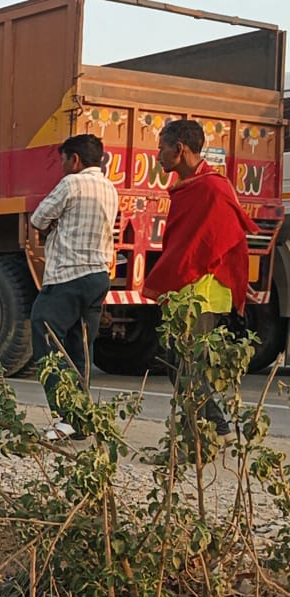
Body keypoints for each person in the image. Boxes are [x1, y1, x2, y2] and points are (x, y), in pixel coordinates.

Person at [143, 118, 257, 441]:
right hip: (183, 290)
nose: (158, 155)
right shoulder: (192, 186)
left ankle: (212, 429)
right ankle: (200, 432)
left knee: (186, 362)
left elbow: (229, 242)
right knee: (175, 359)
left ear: (179, 150)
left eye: (161, 148)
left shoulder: (213, 187)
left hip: (202, 292)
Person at [27, 134, 118, 441]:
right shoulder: (110, 188)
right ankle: (80, 419)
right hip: (97, 277)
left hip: (67, 276)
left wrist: (53, 227)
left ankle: (64, 414)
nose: (63, 166)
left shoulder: (71, 184)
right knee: (82, 348)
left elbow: (39, 219)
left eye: (64, 159)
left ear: (75, 160)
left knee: (46, 337)